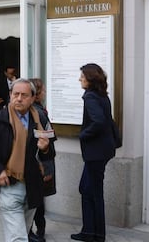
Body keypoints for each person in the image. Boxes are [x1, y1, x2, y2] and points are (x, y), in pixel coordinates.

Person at [0, 78, 55, 242]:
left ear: (32, 98)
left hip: (33, 186)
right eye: (16, 94)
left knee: (21, 233)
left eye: (24, 95)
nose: (19, 98)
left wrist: (45, 149)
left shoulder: (41, 120)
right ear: (10, 95)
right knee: (18, 238)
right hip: (9, 184)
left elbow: (50, 156)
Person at [70, 63, 116, 242]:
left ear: (90, 78)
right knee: (87, 189)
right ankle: (92, 232)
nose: (79, 79)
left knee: (92, 192)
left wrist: (83, 135)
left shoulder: (90, 96)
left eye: (82, 76)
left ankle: (94, 234)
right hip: (102, 151)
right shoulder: (101, 95)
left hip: (96, 152)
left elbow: (99, 122)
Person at [28, 78, 57, 242]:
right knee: (37, 197)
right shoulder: (37, 113)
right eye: (43, 90)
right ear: (37, 94)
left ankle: (36, 230)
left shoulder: (37, 112)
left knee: (36, 197)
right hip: (39, 161)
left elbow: (47, 139)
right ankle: (37, 229)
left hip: (41, 160)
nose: (45, 93)